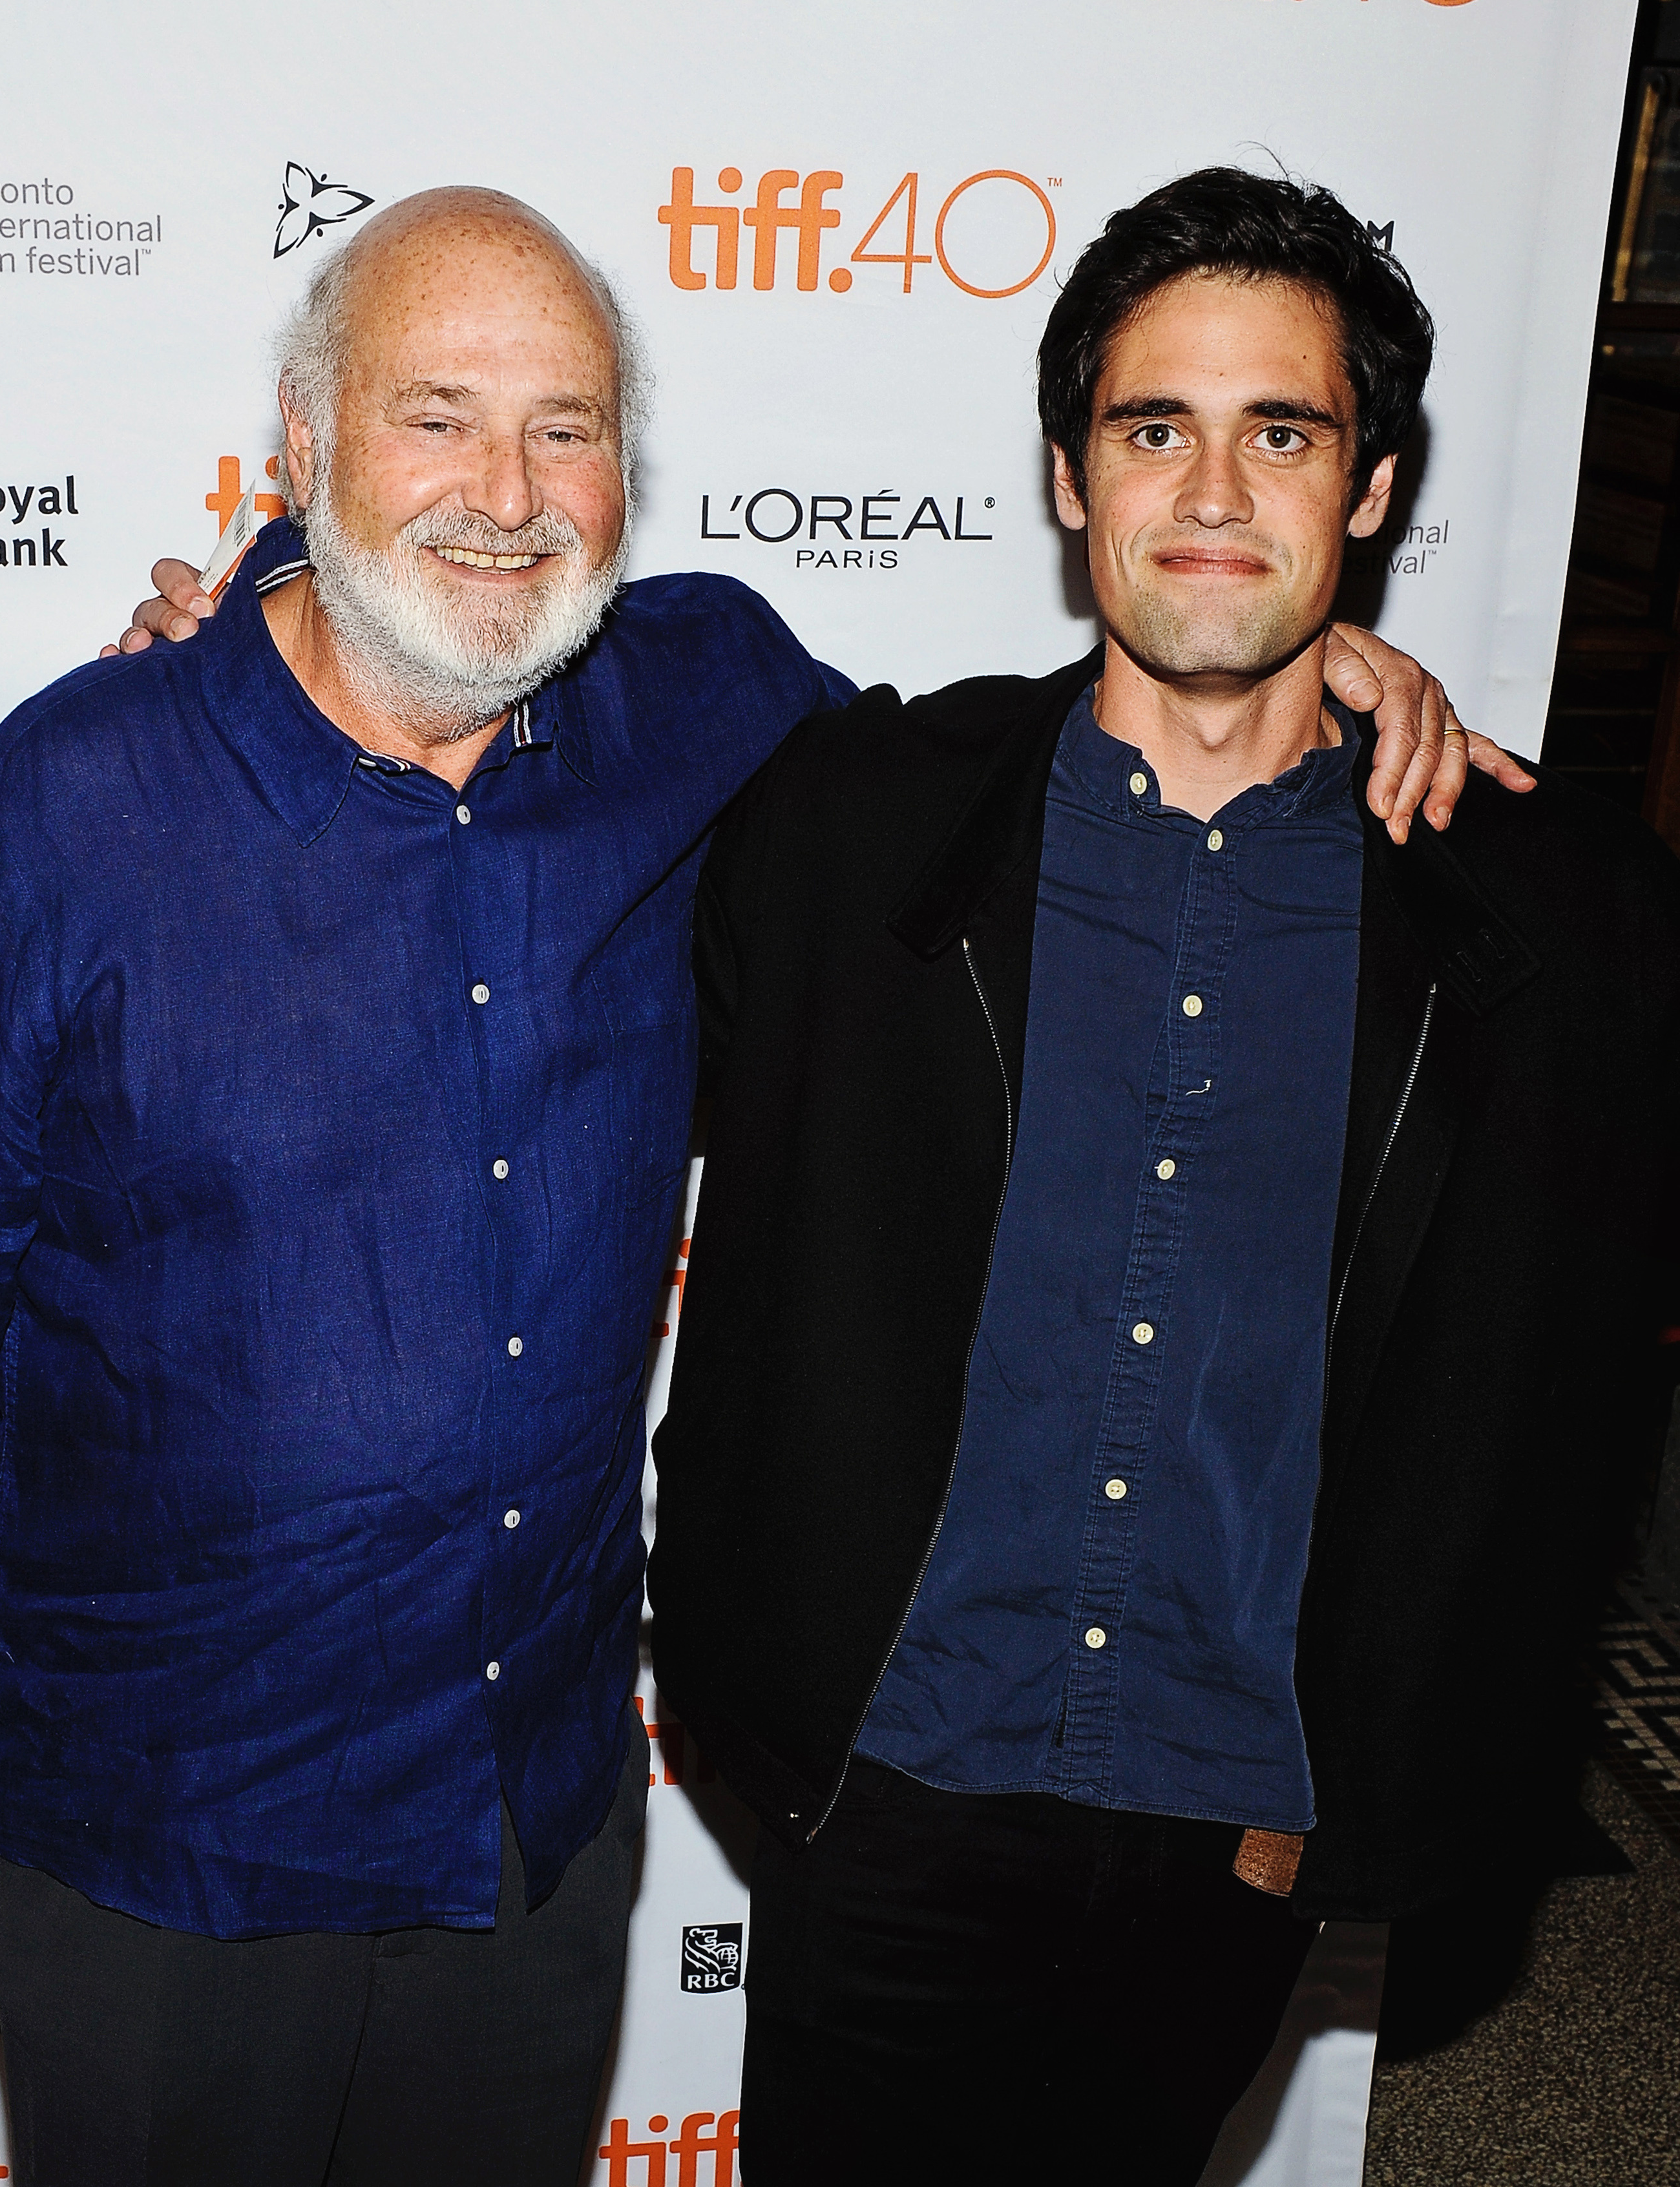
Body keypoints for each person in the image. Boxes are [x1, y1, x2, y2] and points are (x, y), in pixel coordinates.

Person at [0, 182, 1500, 2187]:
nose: (507, 489)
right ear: (300, 452)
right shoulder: (76, 806)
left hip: (529, 1820)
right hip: (173, 1831)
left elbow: (1002, 829)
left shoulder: (704, 703)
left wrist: (1313, 662)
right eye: (436, 415)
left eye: (565, 426)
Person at [647, 167, 1680, 2184]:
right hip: (894, 1768)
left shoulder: (1544, 919)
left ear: (1366, 489)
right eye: (1154, 428)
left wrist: (1391, 1761)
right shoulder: (860, 826)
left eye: (1278, 431)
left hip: (1240, 1813)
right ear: (1066, 477)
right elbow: (562, 660)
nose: (1213, 490)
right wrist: (274, 591)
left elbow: (1555, 1410)